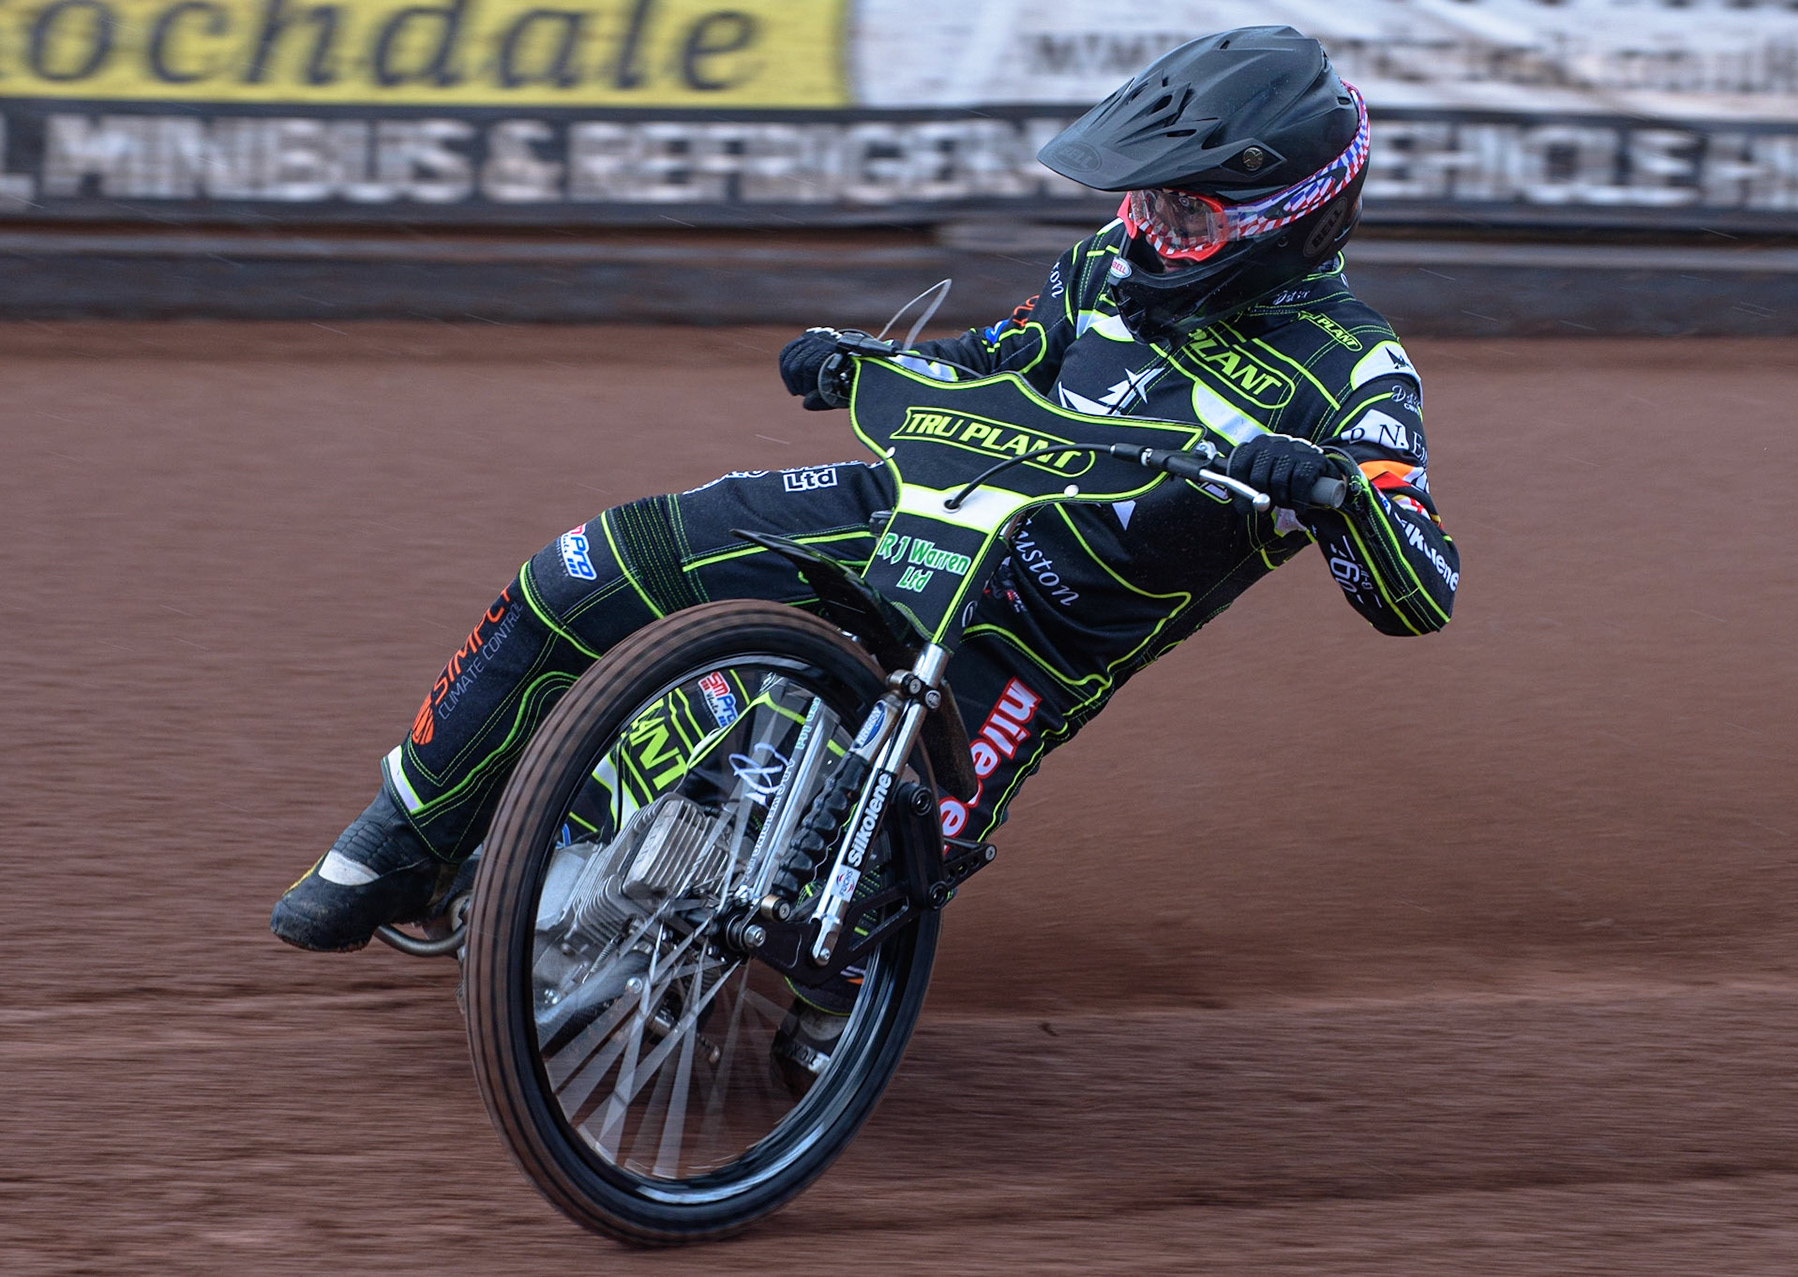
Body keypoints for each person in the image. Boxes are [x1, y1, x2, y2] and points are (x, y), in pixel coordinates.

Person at [272, 29, 1458, 993]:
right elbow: (999, 353)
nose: (1149, 234)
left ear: (1293, 218)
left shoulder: (1357, 372)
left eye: (1186, 220)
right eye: (1148, 205)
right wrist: (862, 358)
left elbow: (1421, 591)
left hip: (1034, 638)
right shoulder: (1107, 260)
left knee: (863, 916)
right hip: (914, 503)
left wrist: (1338, 493)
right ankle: (395, 842)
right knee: (586, 567)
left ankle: (831, 1015)